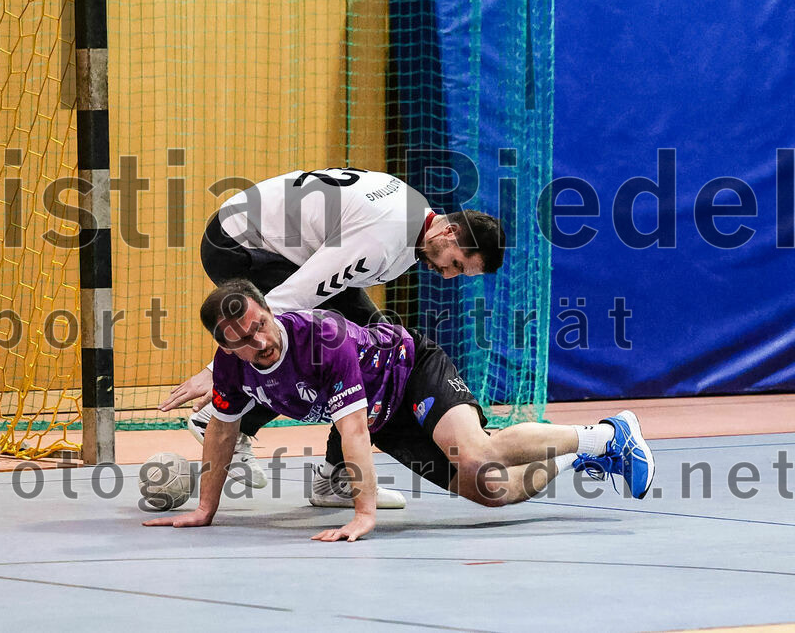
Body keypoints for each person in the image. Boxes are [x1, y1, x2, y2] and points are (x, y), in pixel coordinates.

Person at [144, 280, 655, 542]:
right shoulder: (231, 369)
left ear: (269, 312)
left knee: (478, 454)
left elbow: (350, 431)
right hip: (386, 419)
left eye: (260, 325)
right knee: (494, 491)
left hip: (412, 371)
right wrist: (206, 509)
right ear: (226, 348)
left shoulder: (324, 338)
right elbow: (220, 432)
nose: (259, 341)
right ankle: (586, 454)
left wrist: (363, 513)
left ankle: (607, 434)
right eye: (243, 340)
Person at [157, 167, 505, 508]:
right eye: (456, 264)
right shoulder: (381, 239)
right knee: (329, 349)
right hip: (240, 244)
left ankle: (335, 475)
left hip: (260, 235)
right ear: (450, 232)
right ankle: (227, 424)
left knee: (372, 348)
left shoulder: (415, 215)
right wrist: (217, 368)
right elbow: (285, 302)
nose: (448, 276)